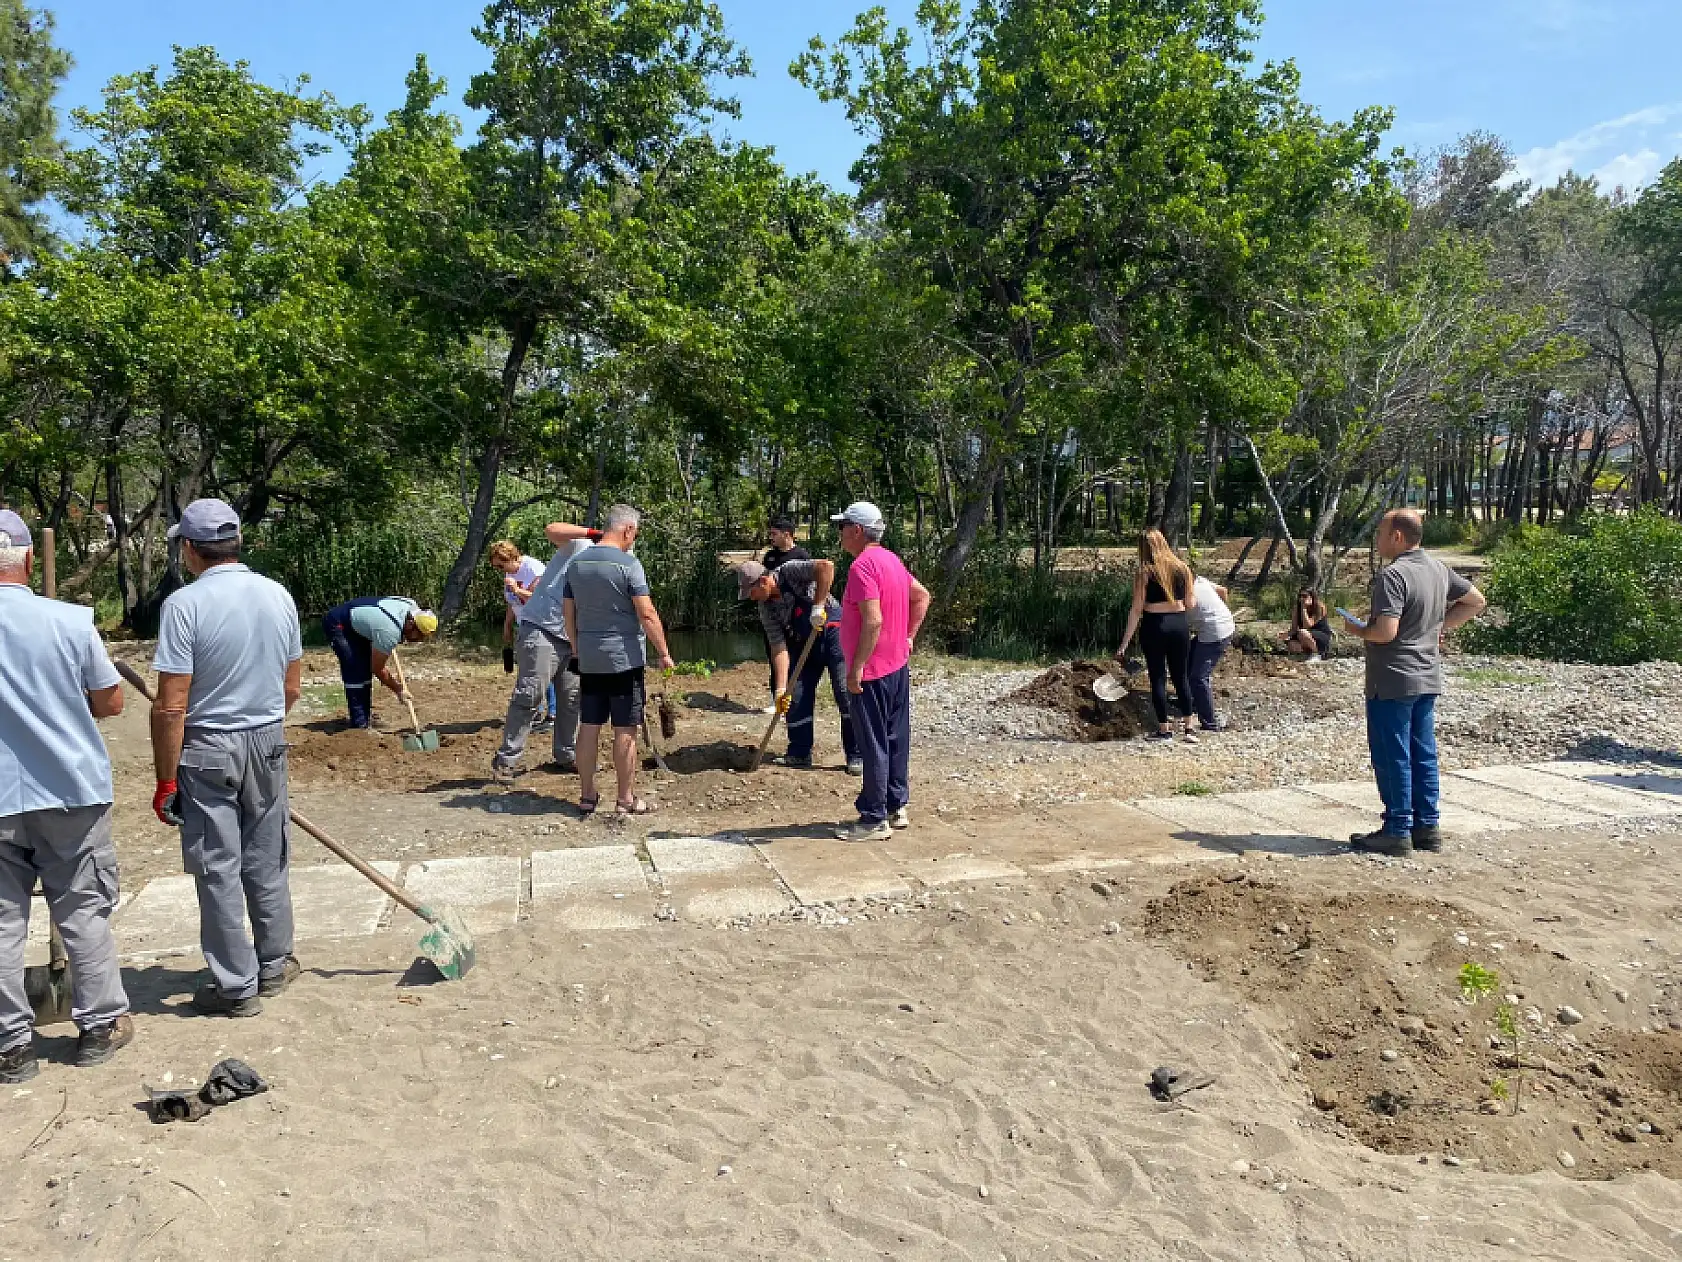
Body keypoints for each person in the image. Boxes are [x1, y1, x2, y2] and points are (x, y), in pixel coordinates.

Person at [150, 499, 306, 1017]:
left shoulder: (184, 606)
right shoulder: (277, 595)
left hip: (208, 748)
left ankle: (236, 985)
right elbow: (292, 687)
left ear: (190, 549)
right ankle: (274, 961)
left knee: (217, 865)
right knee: (267, 856)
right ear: (237, 543)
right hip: (267, 740)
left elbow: (172, 705)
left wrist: (166, 781)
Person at [0, 509, 133, 1082]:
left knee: (2, 923)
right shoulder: (71, 622)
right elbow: (110, 702)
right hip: (68, 791)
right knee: (82, 909)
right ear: (29, 561)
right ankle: (99, 1029)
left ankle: (12, 1045)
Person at [1340, 509, 1487, 857]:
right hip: (1426, 675)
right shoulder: (1438, 569)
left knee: (1394, 756)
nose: (1376, 541)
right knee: (1423, 754)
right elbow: (1475, 601)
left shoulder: (1393, 576)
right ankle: (1427, 826)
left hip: (1392, 678)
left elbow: (1385, 632)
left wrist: (1356, 629)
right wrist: (1438, 628)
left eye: (1380, 533)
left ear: (1397, 536)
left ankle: (1397, 829)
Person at [563, 505, 675, 816]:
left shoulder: (576, 564)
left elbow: (568, 612)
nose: (632, 540)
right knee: (625, 729)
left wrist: (576, 648)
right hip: (624, 660)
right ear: (627, 530)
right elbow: (647, 613)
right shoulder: (629, 564)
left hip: (589, 658)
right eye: (634, 534)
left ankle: (587, 796)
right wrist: (664, 652)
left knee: (589, 726)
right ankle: (625, 798)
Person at [831, 502, 932, 842]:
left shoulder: (863, 566)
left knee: (872, 742)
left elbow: (872, 620)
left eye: (842, 525)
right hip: (896, 666)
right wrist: (908, 637)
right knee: (895, 737)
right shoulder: (892, 560)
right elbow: (922, 596)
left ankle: (874, 818)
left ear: (857, 530)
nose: (840, 532)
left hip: (873, 671)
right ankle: (895, 805)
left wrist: (855, 667)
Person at [490, 523, 601, 785]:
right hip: (541, 629)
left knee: (572, 698)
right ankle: (506, 761)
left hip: (573, 638)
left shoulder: (620, 562)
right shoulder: (581, 545)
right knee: (530, 694)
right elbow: (552, 529)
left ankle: (566, 755)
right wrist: (591, 533)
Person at [737, 556, 859, 773]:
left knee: (844, 691)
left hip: (833, 631)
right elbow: (779, 648)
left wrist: (817, 607)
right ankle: (799, 753)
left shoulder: (789, 572)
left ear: (763, 581)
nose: (752, 598)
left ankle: (856, 754)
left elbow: (827, 567)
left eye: (752, 592)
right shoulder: (766, 609)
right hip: (804, 643)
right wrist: (781, 687)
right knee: (796, 694)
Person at [1116, 529, 1199, 743]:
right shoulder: (1183, 568)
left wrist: (1124, 643)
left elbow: (1136, 609)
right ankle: (1189, 727)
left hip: (1155, 625)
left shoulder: (1145, 572)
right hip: (1180, 625)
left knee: (1158, 678)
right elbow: (1191, 604)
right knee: (1181, 677)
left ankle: (1165, 729)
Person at [320, 595, 438, 730]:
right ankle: (359, 725)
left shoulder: (410, 605)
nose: (420, 640)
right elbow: (377, 668)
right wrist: (398, 689)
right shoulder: (388, 631)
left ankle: (365, 718)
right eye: (420, 635)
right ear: (411, 624)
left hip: (361, 624)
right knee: (354, 669)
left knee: (364, 668)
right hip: (339, 624)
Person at [756, 515, 810, 713]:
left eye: (774, 533)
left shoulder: (801, 555)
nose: (771, 537)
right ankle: (776, 698)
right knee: (774, 654)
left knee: (795, 656)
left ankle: (796, 695)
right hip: (773, 613)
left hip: (794, 614)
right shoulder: (770, 556)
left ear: (787, 534)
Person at [1186, 575, 1236, 732]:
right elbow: (1223, 591)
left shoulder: (1183, 594)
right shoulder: (1199, 580)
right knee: (1188, 657)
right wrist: (1220, 610)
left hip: (1215, 633)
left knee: (1199, 677)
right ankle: (1193, 701)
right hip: (1222, 624)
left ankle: (1209, 722)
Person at [1283, 588, 1332, 663]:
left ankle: (1317, 654)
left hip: (1320, 634)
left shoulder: (1319, 607)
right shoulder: (1297, 608)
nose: (1301, 599)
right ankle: (1305, 654)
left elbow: (1308, 625)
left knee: (1303, 632)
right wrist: (1285, 635)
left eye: (1304, 596)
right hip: (1304, 634)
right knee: (1292, 644)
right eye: (1300, 596)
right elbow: (1293, 628)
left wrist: (1304, 608)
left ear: (1312, 596)